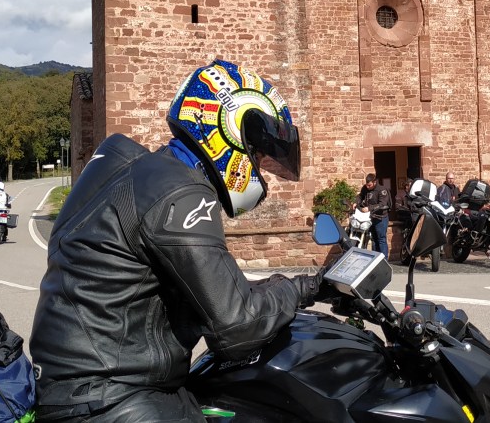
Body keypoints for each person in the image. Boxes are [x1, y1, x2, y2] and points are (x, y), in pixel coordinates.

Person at [29, 59, 328, 422]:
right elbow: (239, 326)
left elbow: (217, 290)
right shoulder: (180, 191)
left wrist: (299, 287)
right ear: (229, 131)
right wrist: (300, 288)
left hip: (81, 388)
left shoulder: (139, 173)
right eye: (259, 153)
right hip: (112, 399)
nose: (259, 166)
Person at [356, 172, 391, 257]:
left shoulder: (382, 190)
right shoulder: (365, 188)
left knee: (381, 239)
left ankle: (384, 260)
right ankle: (375, 259)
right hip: (370, 217)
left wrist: (369, 208)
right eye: (367, 185)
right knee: (374, 239)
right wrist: (356, 202)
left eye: (370, 185)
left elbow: (382, 204)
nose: (368, 187)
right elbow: (360, 196)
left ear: (375, 182)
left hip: (380, 218)